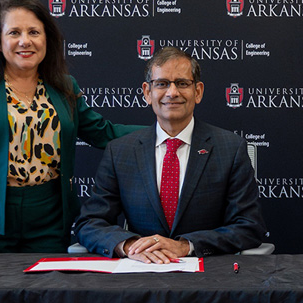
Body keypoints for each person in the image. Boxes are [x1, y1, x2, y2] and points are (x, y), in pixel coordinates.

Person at [0, 0, 142, 264]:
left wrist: (160, 132)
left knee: (46, 298)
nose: (25, 41)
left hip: (49, 218)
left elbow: (103, 132)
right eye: (14, 32)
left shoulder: (65, 87)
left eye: (34, 32)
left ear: (46, 40)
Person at [74, 47, 266, 263]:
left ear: (198, 91)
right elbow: (90, 223)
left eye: (182, 83)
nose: (172, 92)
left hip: (210, 278)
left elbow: (249, 226)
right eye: (162, 84)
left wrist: (186, 246)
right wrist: (129, 246)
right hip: (140, 275)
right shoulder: (120, 151)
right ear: (147, 92)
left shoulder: (230, 148)